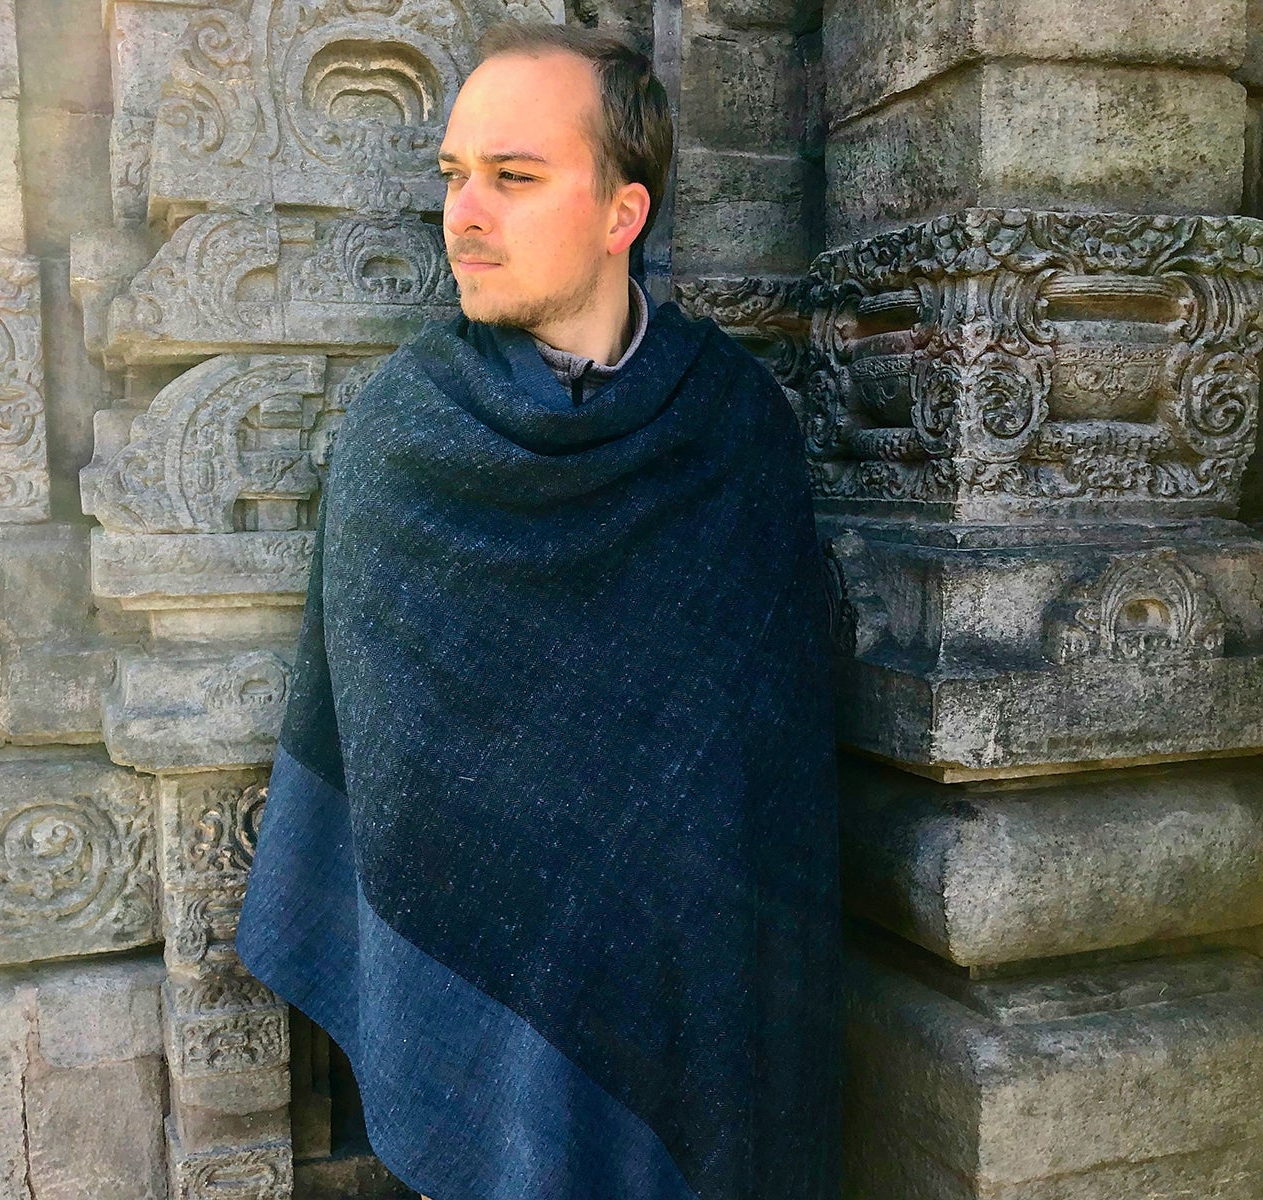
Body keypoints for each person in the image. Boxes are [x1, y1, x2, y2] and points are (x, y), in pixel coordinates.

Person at [234, 20, 841, 1200]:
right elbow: (406, 800)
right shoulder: (403, 439)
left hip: (691, 993)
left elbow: (760, 801)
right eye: (454, 176)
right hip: (489, 975)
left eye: (513, 178)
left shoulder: (735, 431)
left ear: (622, 213)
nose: (465, 213)